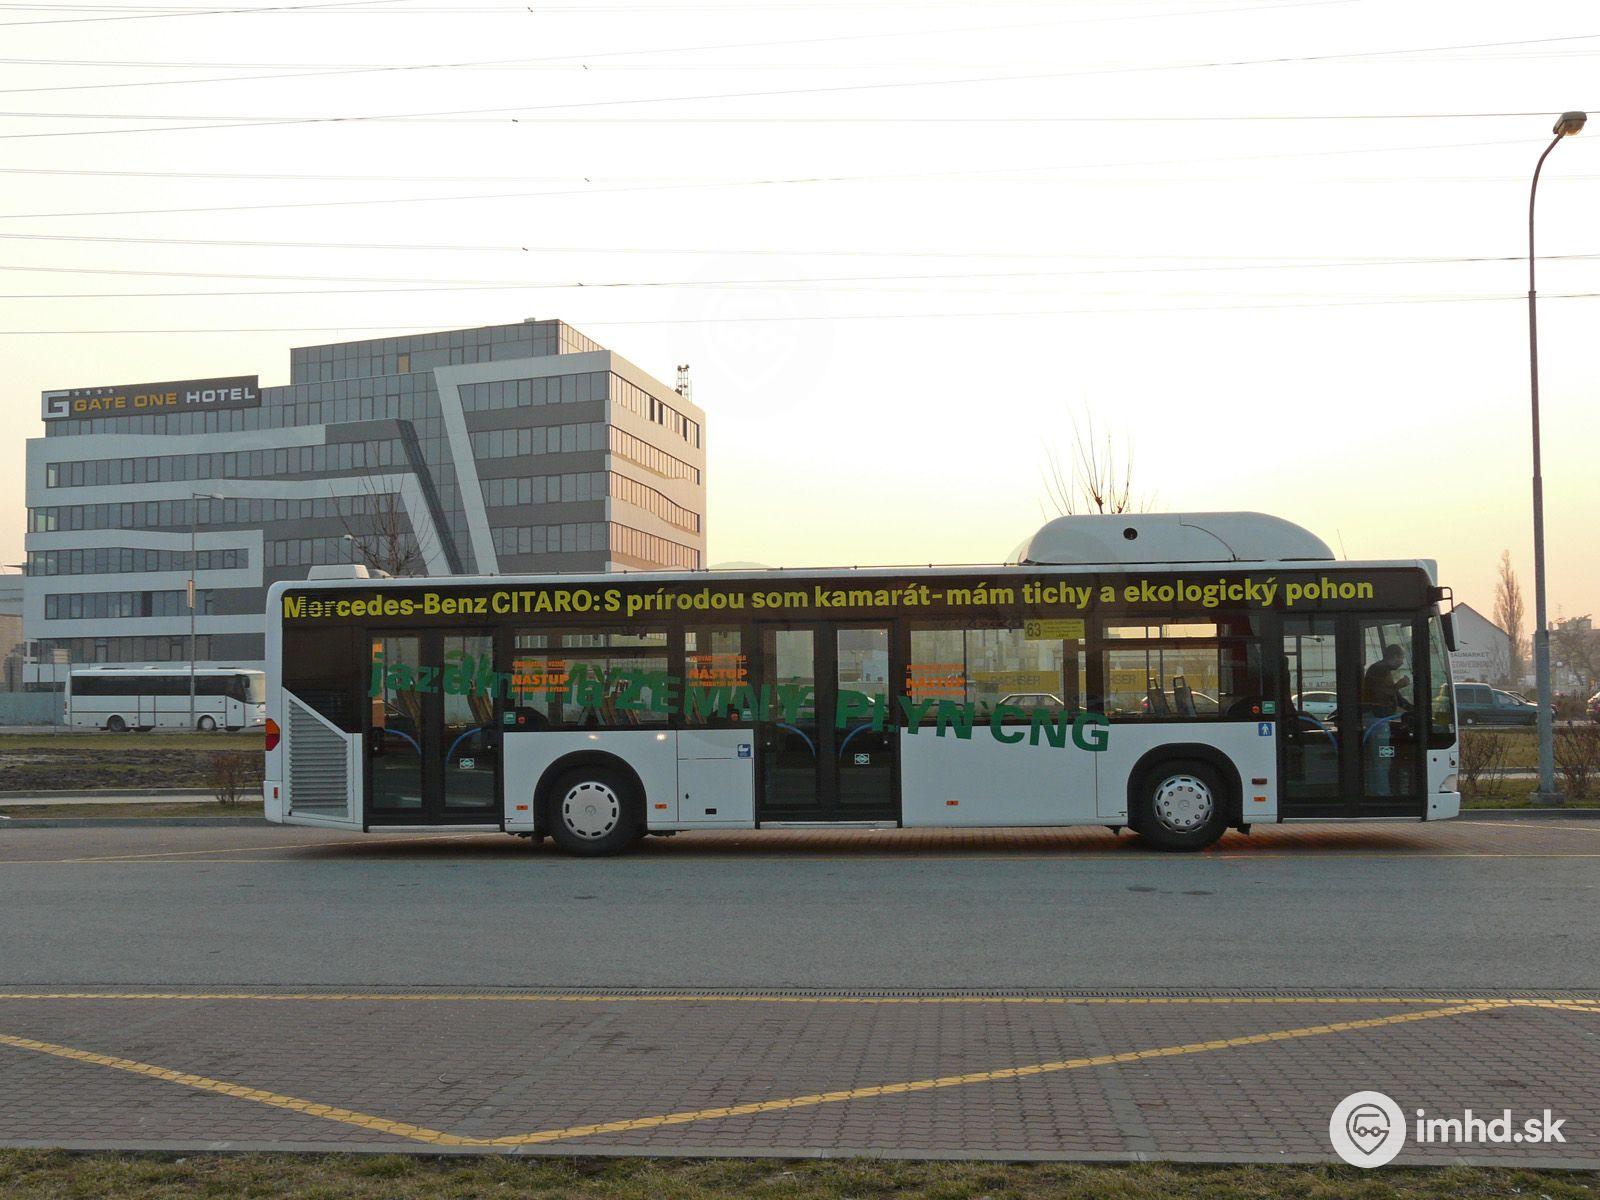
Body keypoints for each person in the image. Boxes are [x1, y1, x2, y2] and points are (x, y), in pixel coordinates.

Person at [1362, 643, 1411, 715]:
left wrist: (1412, 708)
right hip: (1377, 715)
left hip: (1383, 715)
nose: (1402, 663)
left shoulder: (1384, 669)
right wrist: (1399, 685)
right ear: (1396, 656)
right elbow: (1380, 695)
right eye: (1402, 658)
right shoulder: (1378, 669)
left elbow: (1396, 696)